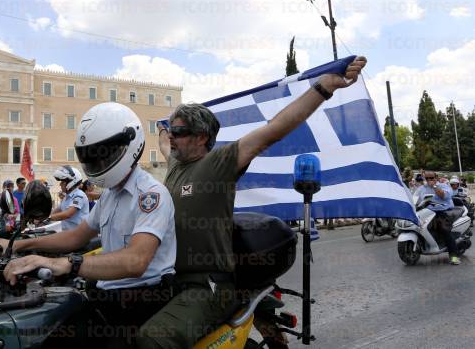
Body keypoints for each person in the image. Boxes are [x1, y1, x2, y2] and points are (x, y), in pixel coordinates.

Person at [137, 56, 367, 348]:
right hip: (170, 280)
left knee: (153, 340)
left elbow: (274, 129)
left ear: (201, 137)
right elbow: (162, 142)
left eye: (179, 131)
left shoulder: (219, 163)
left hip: (208, 286)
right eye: (171, 130)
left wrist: (324, 88)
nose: (172, 137)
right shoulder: (174, 165)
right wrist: (163, 127)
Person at [0, 103, 176, 347]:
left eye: (103, 155)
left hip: (141, 300)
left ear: (130, 145)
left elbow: (136, 260)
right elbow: (77, 236)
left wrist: (65, 263)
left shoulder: (151, 194)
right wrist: (22, 244)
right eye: (91, 157)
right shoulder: (110, 195)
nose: (98, 163)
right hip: (107, 293)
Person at [414, 171, 460, 265]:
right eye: (427, 179)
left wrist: (435, 186)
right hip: (426, 212)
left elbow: (444, 196)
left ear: (436, 177)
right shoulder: (421, 189)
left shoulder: (444, 186)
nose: (429, 180)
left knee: (444, 229)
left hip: (442, 211)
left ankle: (454, 256)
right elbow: (414, 199)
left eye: (431, 178)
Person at [50, 166, 90, 231]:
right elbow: (58, 210)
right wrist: (42, 217)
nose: (60, 184)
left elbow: (67, 214)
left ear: (71, 182)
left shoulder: (79, 195)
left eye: (62, 182)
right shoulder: (67, 197)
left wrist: (49, 218)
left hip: (79, 235)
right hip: (69, 235)